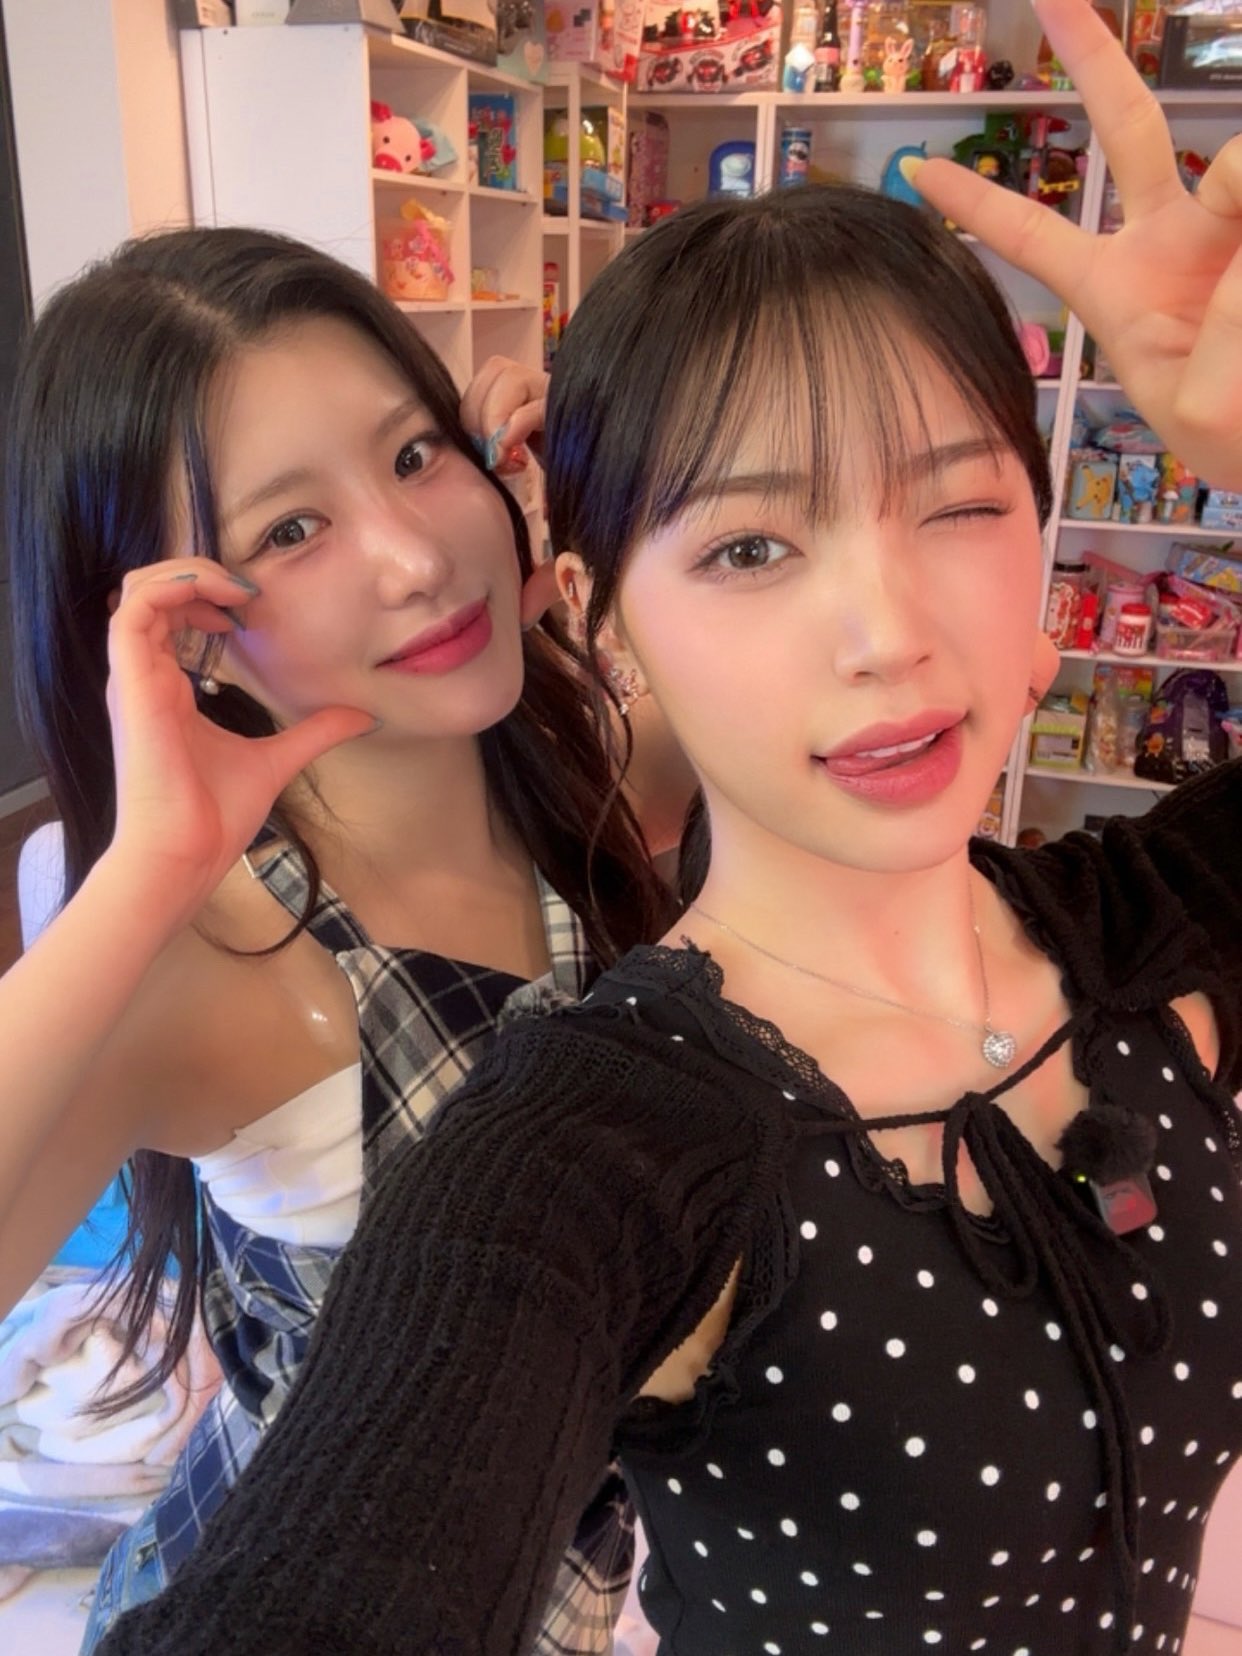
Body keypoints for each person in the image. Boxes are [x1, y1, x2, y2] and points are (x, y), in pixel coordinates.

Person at [68, 4, 1242, 1650]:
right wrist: (144, 879)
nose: (886, 632)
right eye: (750, 549)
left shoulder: (1117, 924)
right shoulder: (583, 1136)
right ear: (609, 604)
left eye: (956, 503)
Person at [0, 225, 682, 1653]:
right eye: (289, 531)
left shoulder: (572, 764)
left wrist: (622, 514)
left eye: (417, 455)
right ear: (186, 629)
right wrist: (147, 874)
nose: (418, 558)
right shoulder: (224, 960)